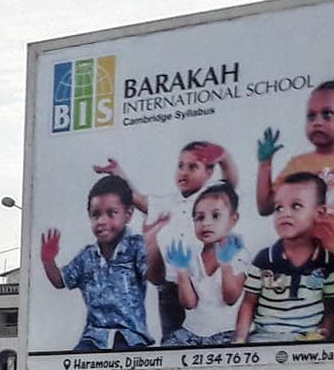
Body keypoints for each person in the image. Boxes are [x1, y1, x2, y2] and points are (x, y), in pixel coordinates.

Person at [95, 141, 239, 341]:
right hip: (171, 283)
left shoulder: (209, 199)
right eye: (181, 166)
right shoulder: (167, 202)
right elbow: (137, 199)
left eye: (192, 167)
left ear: (208, 172)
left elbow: (230, 183)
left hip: (201, 281)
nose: (184, 172)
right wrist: (118, 173)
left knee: (205, 330)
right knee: (172, 337)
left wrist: (223, 158)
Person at [40, 175, 167, 350]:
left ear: (128, 214)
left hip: (130, 337)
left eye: (111, 213)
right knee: (76, 367)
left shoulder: (136, 246)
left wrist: (151, 242)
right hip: (94, 338)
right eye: (96, 215)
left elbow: (157, 277)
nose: (102, 221)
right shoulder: (87, 256)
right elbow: (60, 281)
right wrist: (48, 260)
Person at [257, 80, 334, 274]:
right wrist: (265, 163)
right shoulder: (297, 164)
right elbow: (266, 206)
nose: (317, 121)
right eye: (311, 116)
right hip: (299, 262)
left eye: (327, 114)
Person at [234, 173, 334, 343]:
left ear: (319, 213)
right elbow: (248, 303)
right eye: (279, 208)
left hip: (308, 341)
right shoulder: (264, 259)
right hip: (265, 338)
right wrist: (239, 341)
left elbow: (332, 305)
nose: (285, 214)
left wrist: (323, 334)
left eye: (296, 206)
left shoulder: (327, 261)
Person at [161, 184, 250, 346]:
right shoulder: (192, 256)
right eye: (200, 217)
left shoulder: (238, 254)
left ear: (233, 219)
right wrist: (181, 270)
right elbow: (189, 304)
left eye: (216, 216)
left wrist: (225, 264)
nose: (206, 223)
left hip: (224, 334)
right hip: (191, 331)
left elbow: (231, 298)